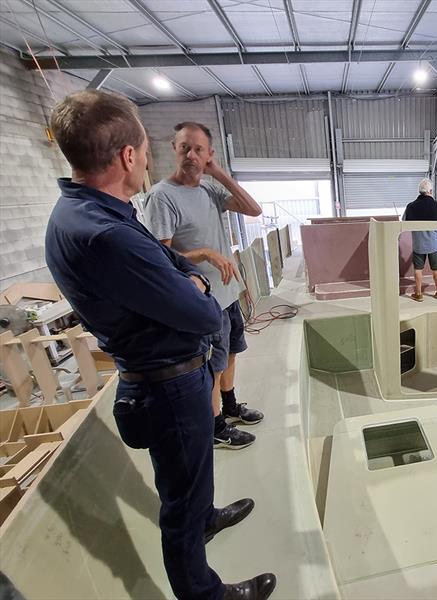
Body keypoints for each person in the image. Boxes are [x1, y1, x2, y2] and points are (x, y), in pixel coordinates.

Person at [44, 90, 276, 600]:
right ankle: (204, 592)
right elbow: (197, 309)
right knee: (178, 500)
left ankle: (207, 518)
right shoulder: (104, 232)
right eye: (150, 149)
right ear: (128, 156)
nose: (151, 158)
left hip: (169, 374)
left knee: (192, 482)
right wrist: (194, 286)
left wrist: (188, 279)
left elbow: (172, 264)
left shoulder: (93, 213)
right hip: (165, 383)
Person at [143, 122, 263, 451]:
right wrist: (204, 253)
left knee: (232, 353)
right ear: (174, 149)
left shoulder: (209, 190)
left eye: (199, 149)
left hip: (227, 293)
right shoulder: (162, 197)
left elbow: (254, 209)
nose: (191, 155)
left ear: (209, 154)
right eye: (185, 148)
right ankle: (215, 426)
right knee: (213, 364)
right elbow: (159, 257)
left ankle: (231, 406)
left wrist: (219, 173)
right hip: (202, 300)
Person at [402, 178, 437, 302]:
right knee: (436, 268)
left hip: (418, 244)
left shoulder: (410, 206)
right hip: (434, 244)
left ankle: (419, 293)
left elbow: (404, 222)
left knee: (418, 269)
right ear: (430, 191)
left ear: (420, 191)